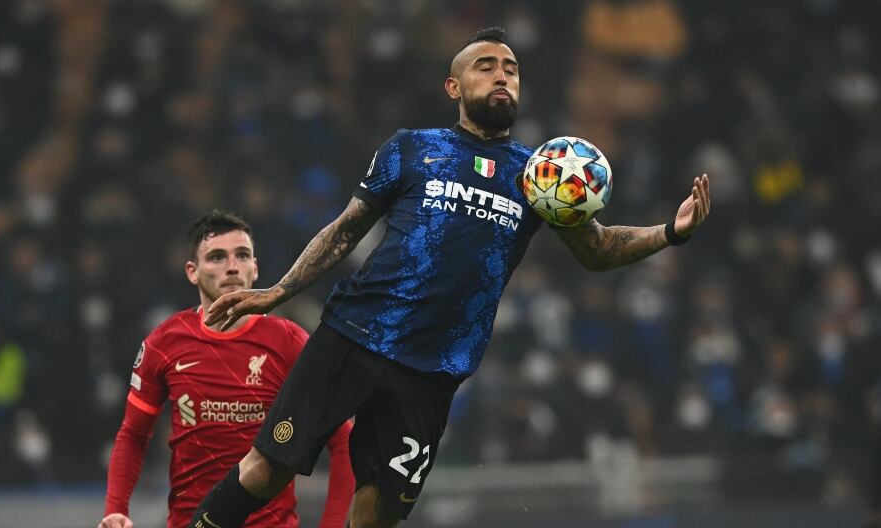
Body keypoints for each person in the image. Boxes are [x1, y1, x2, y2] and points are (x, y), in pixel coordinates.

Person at [188, 27, 712, 528]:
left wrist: (670, 231)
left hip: (433, 373)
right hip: (355, 337)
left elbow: (597, 249)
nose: (502, 76)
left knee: (378, 513)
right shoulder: (411, 148)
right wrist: (279, 291)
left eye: (511, 68)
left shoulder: (539, 174)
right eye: (485, 66)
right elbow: (346, 230)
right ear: (454, 87)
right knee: (266, 469)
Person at [98, 210, 354, 528]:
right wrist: (116, 509)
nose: (232, 266)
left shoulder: (289, 342)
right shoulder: (164, 343)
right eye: (217, 257)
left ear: (254, 268)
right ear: (192, 272)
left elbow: (342, 439)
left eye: (242, 255)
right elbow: (133, 434)